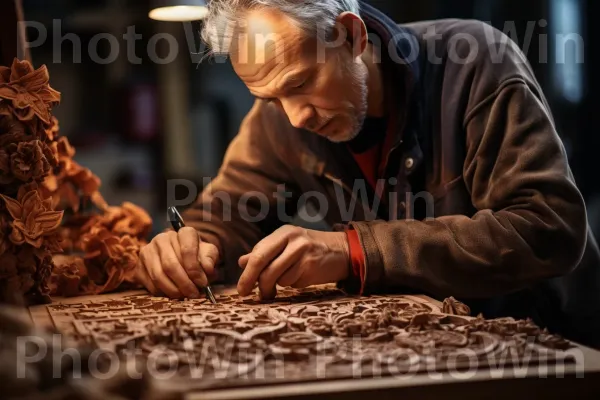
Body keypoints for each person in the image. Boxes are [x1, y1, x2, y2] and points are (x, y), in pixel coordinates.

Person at [134, 0, 600, 347]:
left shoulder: (474, 62)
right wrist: (191, 243)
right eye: (271, 98)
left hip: (540, 344)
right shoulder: (279, 117)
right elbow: (228, 209)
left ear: (352, 36)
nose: (294, 117)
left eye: (299, 84)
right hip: (415, 350)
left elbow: (548, 228)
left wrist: (355, 250)